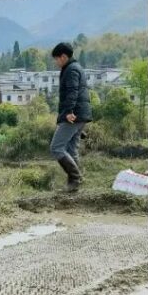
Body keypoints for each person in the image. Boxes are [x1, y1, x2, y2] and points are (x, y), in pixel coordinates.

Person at [50, 42, 92, 192]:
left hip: (74, 115)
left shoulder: (71, 70)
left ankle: (75, 178)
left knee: (56, 147)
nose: (56, 62)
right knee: (72, 149)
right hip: (80, 115)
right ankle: (75, 184)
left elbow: (73, 91)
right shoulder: (74, 68)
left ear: (63, 56)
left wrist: (68, 112)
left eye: (57, 59)